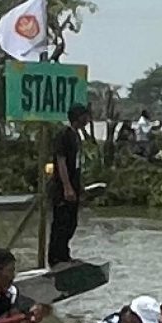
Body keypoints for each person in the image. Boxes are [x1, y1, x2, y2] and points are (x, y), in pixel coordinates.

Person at [47, 104, 90, 267]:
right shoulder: (64, 135)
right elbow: (61, 160)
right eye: (85, 116)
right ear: (78, 116)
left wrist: (80, 186)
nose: (87, 119)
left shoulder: (76, 135)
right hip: (62, 188)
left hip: (74, 185)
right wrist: (67, 187)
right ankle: (56, 259)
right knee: (61, 224)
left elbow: (77, 164)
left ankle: (64, 255)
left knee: (71, 223)